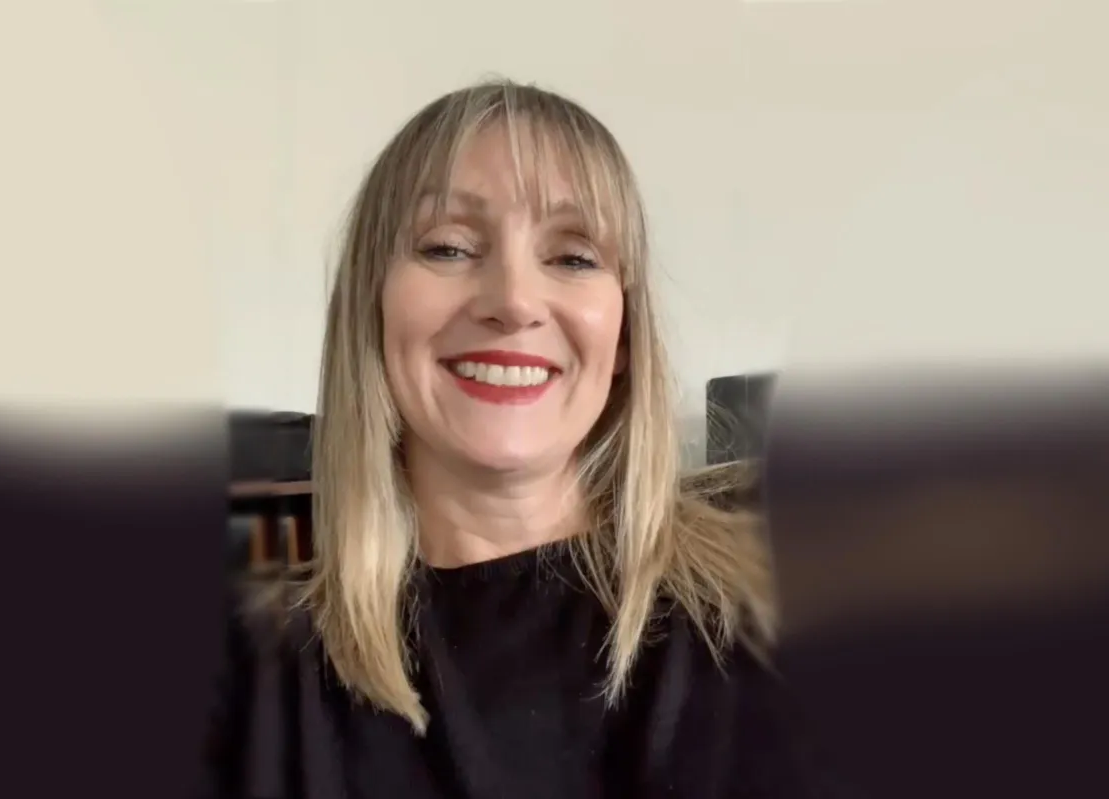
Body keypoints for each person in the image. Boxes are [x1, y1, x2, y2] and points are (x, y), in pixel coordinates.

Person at [203, 79, 838, 798]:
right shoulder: (237, 653)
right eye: (448, 247)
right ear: (371, 308)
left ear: (623, 333)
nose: (512, 301)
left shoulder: (783, 621)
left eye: (572, 257)